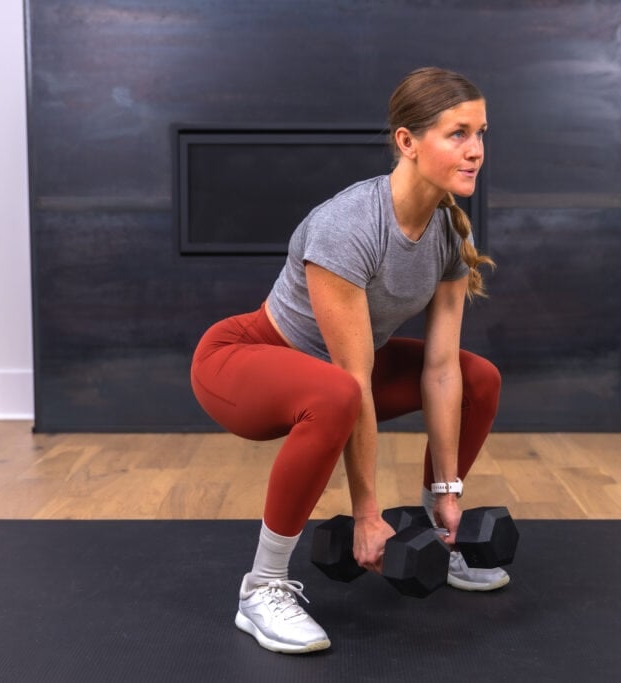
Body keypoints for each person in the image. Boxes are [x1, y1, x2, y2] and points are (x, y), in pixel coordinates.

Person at [190, 66, 504, 654]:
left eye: (482, 133)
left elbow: (440, 370)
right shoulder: (348, 225)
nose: (476, 151)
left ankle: (439, 533)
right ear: (408, 142)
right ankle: (262, 588)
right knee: (336, 392)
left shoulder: (446, 233)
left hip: (331, 378)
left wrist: (447, 489)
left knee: (476, 376)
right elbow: (353, 381)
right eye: (457, 134)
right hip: (243, 360)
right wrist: (365, 512)